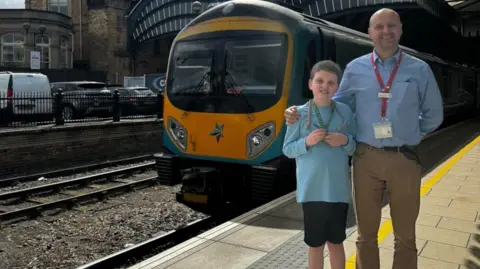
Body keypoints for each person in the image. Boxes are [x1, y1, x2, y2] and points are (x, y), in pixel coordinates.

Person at [284, 8, 443, 269]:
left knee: (405, 236)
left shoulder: (420, 69)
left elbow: (433, 114)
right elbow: (331, 103)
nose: (386, 31)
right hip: (365, 159)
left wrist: (413, 133)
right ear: (370, 33)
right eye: (379, 27)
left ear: (400, 30)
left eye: (391, 26)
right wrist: (298, 112)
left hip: (404, 158)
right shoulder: (356, 69)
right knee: (366, 235)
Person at [283, 60, 356, 269]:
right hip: (312, 191)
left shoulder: (345, 113)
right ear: (310, 84)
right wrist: (307, 142)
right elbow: (287, 149)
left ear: (338, 86)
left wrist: (345, 141)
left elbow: (355, 148)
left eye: (331, 82)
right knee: (315, 245)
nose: (325, 86)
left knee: (336, 243)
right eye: (320, 81)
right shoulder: (298, 114)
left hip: (338, 191)